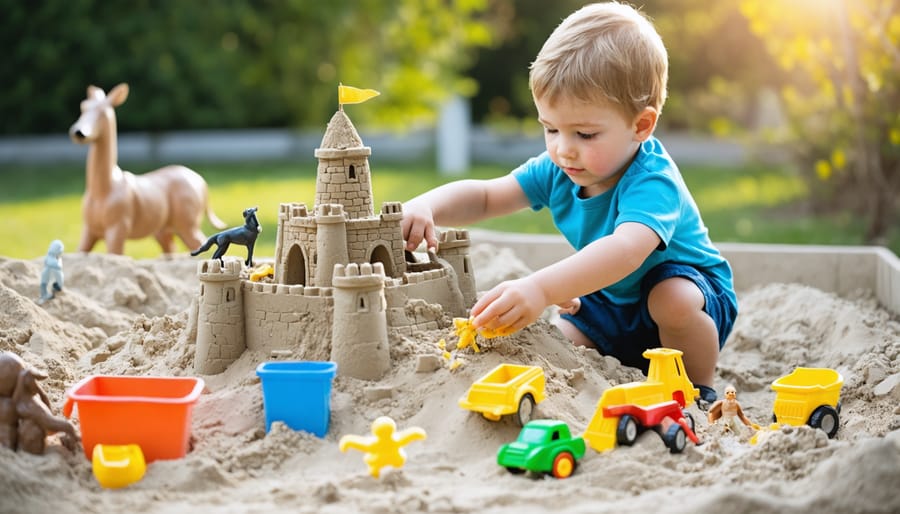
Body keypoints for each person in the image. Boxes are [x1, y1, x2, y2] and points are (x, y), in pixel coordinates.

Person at [401, 1, 737, 407]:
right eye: (551, 128)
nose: (564, 150)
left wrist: (541, 288)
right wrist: (427, 205)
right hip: (611, 302)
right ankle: (625, 359)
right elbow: (489, 195)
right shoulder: (559, 168)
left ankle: (698, 389)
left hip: (692, 296)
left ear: (640, 126)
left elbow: (626, 251)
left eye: (585, 134)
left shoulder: (653, 180)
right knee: (556, 341)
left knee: (670, 299)